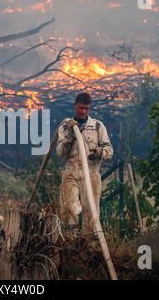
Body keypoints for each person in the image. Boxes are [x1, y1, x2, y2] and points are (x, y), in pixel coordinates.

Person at [56, 92, 113, 238]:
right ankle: (70, 243)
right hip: (71, 173)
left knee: (91, 212)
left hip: (91, 174)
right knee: (69, 208)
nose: (83, 112)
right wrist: (70, 136)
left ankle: (89, 247)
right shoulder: (65, 126)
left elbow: (109, 150)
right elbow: (60, 153)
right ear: (75, 106)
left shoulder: (97, 127)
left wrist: (100, 153)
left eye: (87, 109)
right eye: (81, 108)